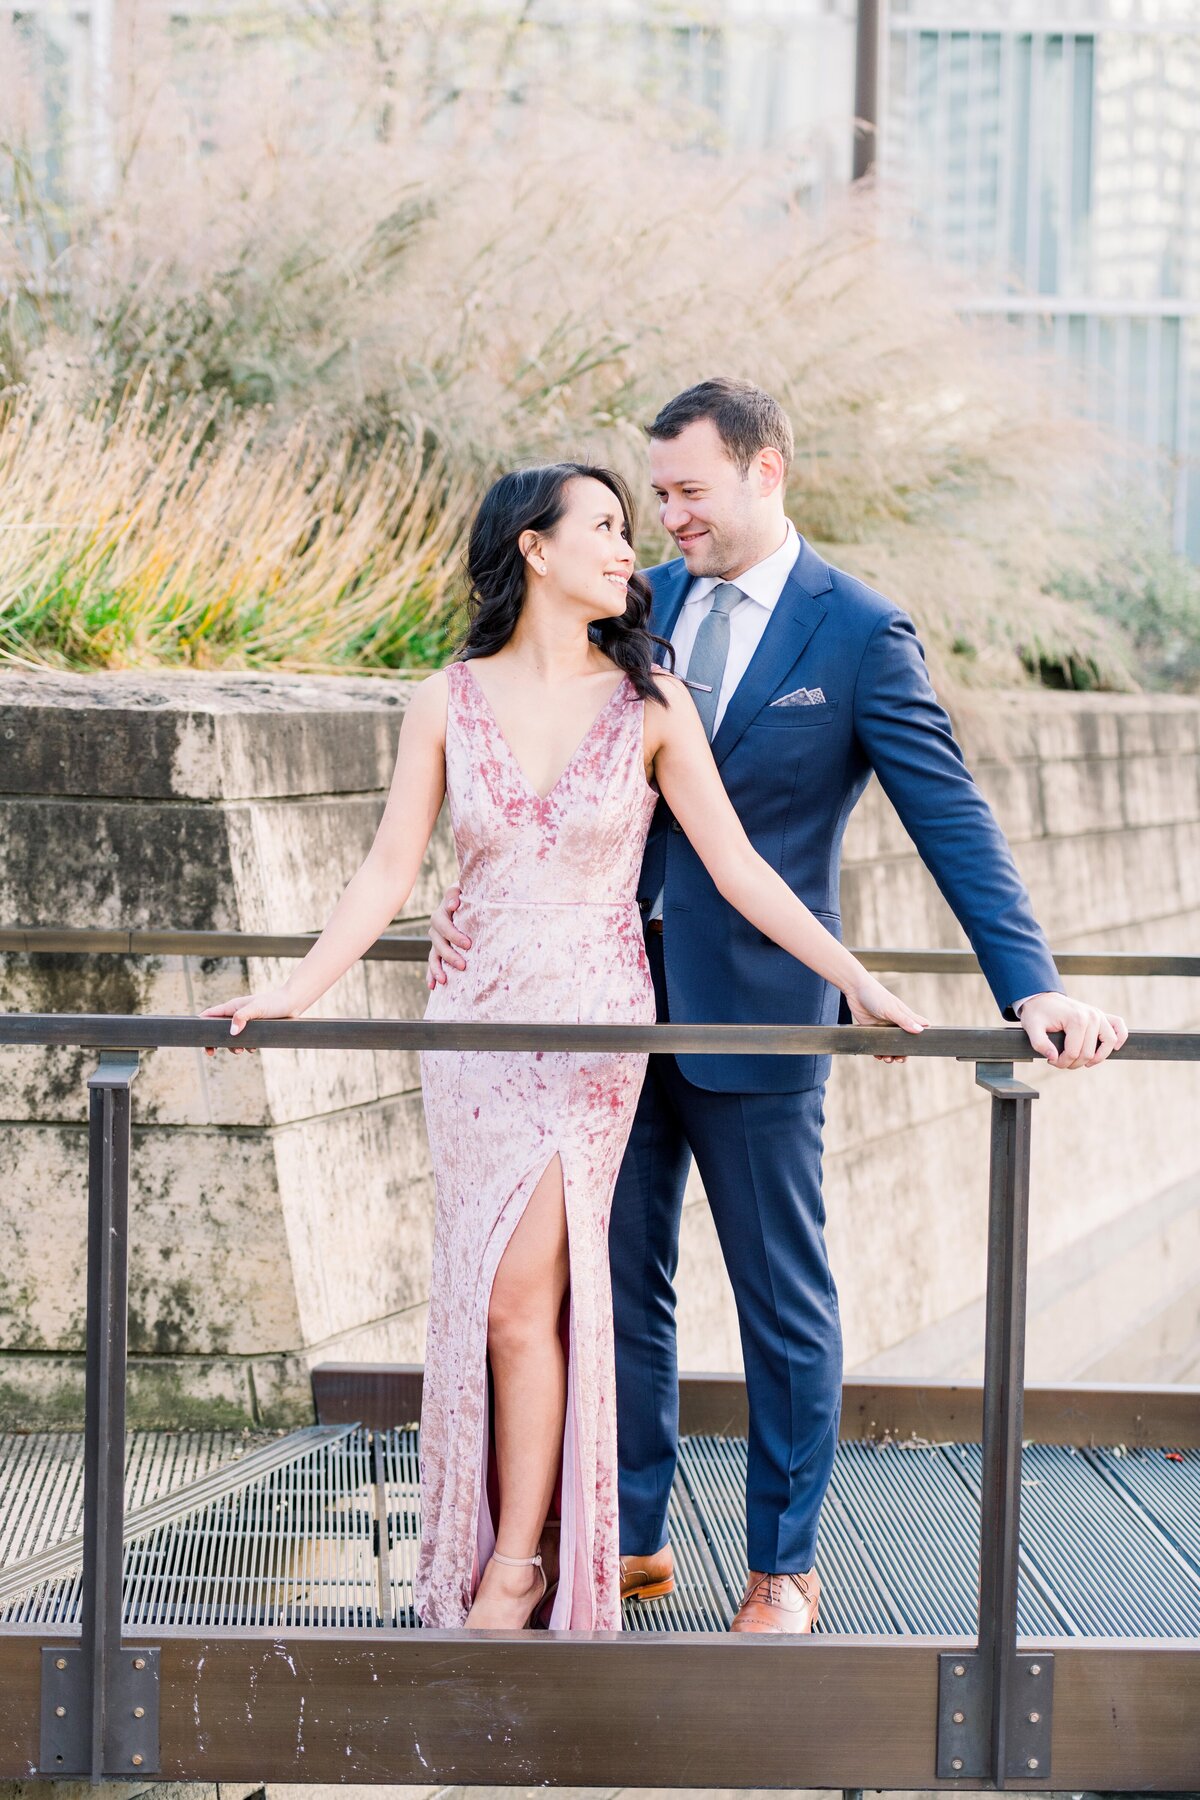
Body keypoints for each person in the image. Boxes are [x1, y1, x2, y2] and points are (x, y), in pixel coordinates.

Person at [427, 380, 1129, 1634]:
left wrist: (1033, 983)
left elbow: (950, 817)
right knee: (614, 1291)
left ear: (769, 472)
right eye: (658, 498)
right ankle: (627, 1538)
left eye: (691, 492)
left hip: (760, 1017)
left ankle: (782, 1568)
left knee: (779, 1297)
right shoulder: (640, 607)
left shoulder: (858, 632)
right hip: (608, 1024)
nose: (668, 520)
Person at [201, 460, 925, 1632]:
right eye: (603, 525)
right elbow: (391, 871)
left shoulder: (651, 704)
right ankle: (512, 1548)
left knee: (519, 1302)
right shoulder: (446, 697)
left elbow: (739, 869)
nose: (626, 548)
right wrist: (293, 989)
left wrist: (857, 984)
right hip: (474, 1023)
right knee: (490, 1298)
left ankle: (518, 1567)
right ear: (532, 550)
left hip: (589, 1031)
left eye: (627, 528)